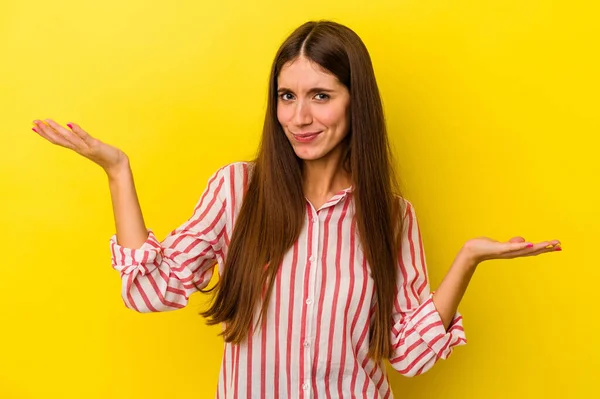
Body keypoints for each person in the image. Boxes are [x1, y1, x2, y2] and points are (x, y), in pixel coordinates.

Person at [32, 20, 561, 399]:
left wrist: (467, 259)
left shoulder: (391, 216)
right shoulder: (236, 191)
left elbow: (409, 354)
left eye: (321, 96)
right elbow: (149, 291)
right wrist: (118, 171)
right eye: (287, 96)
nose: (300, 116)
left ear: (357, 102)